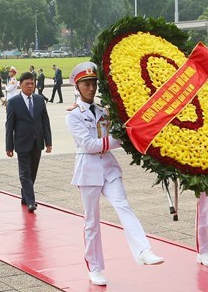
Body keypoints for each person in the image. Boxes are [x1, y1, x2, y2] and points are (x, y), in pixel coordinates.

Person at [65, 62, 164, 286]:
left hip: (108, 169)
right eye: (86, 84)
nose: (91, 88)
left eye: (93, 84)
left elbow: (106, 138)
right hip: (88, 169)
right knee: (91, 221)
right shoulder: (73, 115)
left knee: (123, 205)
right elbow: (89, 144)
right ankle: (95, 267)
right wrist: (122, 139)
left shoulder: (103, 111)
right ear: (78, 87)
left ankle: (143, 250)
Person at [5, 71, 52, 212]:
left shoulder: (39, 100)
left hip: (37, 142)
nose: (30, 86)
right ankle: (31, 201)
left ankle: (25, 196)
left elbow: (45, 122)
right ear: (20, 85)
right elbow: (9, 125)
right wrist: (9, 146)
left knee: (32, 173)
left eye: (32, 83)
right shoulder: (13, 102)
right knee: (25, 173)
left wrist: (48, 142)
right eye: (27, 84)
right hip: (22, 142)